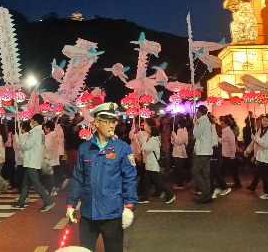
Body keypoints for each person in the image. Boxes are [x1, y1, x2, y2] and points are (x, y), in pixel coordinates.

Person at [66, 102, 137, 252]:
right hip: (88, 214)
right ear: (96, 123)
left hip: (112, 215)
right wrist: (71, 204)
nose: (112, 125)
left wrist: (129, 206)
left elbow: (129, 178)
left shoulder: (122, 148)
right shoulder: (85, 148)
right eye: (108, 121)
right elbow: (78, 177)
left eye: (114, 121)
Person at [13, 113, 54, 211]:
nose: (30, 122)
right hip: (34, 160)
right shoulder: (41, 133)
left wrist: (21, 139)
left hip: (32, 161)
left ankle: (47, 202)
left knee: (36, 184)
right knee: (26, 184)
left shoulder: (36, 133)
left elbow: (26, 146)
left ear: (35, 121)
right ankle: (20, 202)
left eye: (32, 120)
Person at [137, 118, 175, 204]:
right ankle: (144, 197)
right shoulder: (151, 139)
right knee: (147, 181)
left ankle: (170, 194)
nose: (144, 126)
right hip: (150, 164)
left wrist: (142, 141)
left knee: (158, 182)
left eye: (146, 124)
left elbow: (146, 148)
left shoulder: (154, 140)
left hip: (153, 165)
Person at [249, 115, 268, 199]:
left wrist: (256, 139)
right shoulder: (261, 130)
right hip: (261, 156)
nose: (264, 122)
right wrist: (255, 138)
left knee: (265, 175)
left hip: (267, 156)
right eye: (263, 120)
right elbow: (257, 140)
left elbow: (266, 145)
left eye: (266, 121)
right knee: (263, 174)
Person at [192, 105, 213, 204]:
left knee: (195, 171)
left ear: (199, 112)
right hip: (207, 151)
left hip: (202, 152)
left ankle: (205, 192)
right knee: (205, 174)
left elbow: (196, 134)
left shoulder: (202, 122)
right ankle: (208, 194)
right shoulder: (206, 121)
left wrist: (195, 124)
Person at [219, 118, 241, 189]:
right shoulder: (226, 132)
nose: (221, 125)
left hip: (228, 155)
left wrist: (233, 154)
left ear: (226, 124)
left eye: (222, 124)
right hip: (227, 154)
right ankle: (237, 183)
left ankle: (221, 184)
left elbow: (232, 144)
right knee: (232, 170)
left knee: (222, 169)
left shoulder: (229, 132)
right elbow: (224, 141)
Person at [43, 120, 62, 195]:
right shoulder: (54, 135)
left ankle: (52, 189)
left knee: (50, 175)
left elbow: (47, 148)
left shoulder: (50, 136)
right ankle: (52, 188)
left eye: (45, 128)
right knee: (52, 174)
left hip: (50, 159)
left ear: (48, 128)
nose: (44, 130)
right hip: (54, 158)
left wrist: (46, 157)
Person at [171, 118, 189, 189]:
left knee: (179, 168)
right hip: (176, 151)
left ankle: (187, 176)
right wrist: (173, 137)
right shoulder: (178, 131)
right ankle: (179, 184)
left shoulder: (184, 132)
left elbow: (180, 141)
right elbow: (174, 142)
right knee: (178, 169)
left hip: (181, 152)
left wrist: (175, 136)